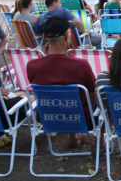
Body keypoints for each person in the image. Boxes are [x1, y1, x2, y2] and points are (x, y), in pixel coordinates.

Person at [27, 17, 100, 149]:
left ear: (44, 36)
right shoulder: (80, 65)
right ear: (67, 35)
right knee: (93, 104)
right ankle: (78, 134)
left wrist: (44, 56)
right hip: (82, 119)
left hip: (47, 118)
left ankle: (75, 135)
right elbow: (93, 99)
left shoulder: (32, 65)